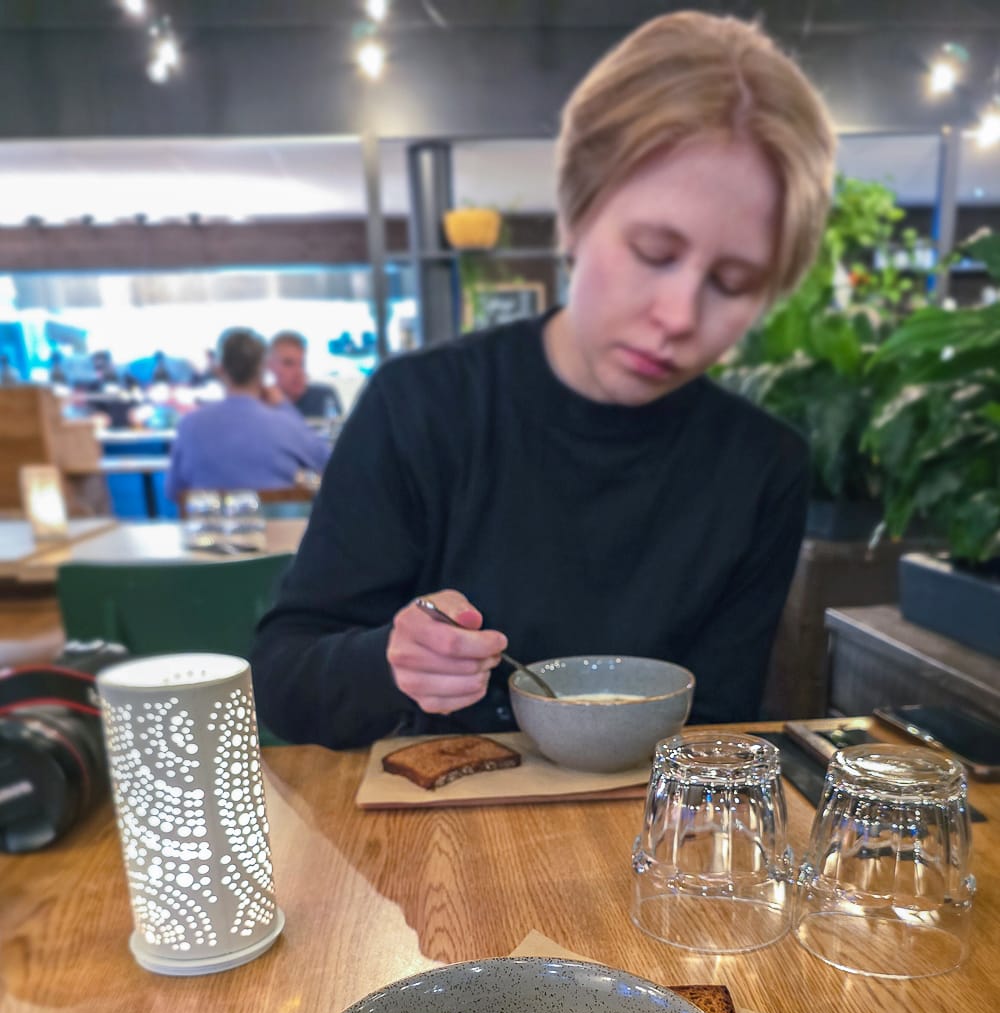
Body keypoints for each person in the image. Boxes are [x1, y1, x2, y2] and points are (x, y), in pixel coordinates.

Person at [252, 11, 836, 750]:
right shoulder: (424, 406)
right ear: (574, 216)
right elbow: (284, 679)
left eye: (733, 282)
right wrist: (389, 663)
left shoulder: (760, 467)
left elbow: (720, 722)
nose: (679, 316)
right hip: (426, 813)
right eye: (654, 253)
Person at [166, 328, 330, 502]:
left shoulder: (189, 425)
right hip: (276, 519)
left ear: (220, 370)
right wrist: (284, 406)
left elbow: (173, 492)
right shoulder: (285, 425)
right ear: (263, 369)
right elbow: (330, 465)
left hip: (211, 519)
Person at [267, 331, 342, 419]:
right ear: (269, 365)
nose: (298, 371)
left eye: (302, 364)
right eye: (289, 363)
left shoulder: (324, 397)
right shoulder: (261, 404)